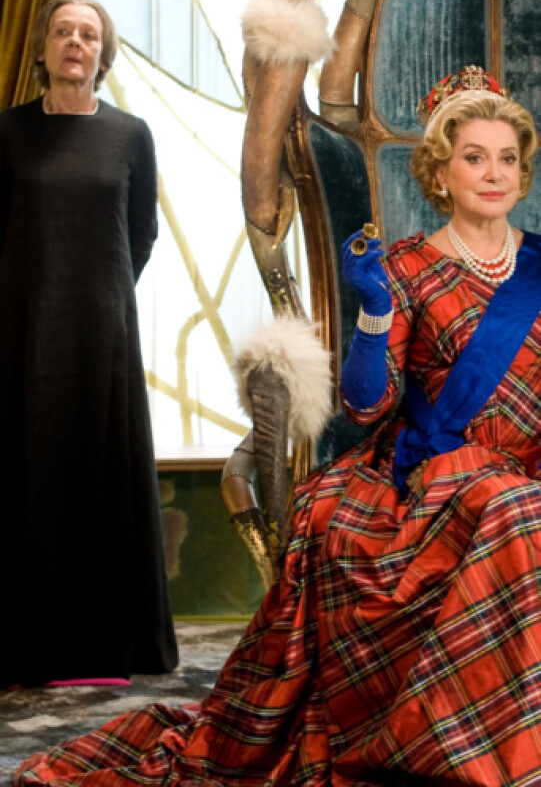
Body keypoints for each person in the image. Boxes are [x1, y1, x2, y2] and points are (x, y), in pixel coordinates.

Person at [14, 65, 541, 785]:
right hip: (437, 475)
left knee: (520, 501)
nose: (494, 173)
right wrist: (374, 311)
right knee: (517, 513)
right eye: (474, 157)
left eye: (507, 158)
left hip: (526, 464)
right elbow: (366, 406)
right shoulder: (406, 267)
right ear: (440, 173)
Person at [0, 0, 178, 688]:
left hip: (103, 330)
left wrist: (100, 293)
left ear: (103, 54)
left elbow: (142, 234)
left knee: (102, 471)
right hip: (21, 330)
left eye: (88, 34)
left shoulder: (131, 134)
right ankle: (25, 647)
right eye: (63, 31)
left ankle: (107, 648)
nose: (75, 42)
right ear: (43, 49)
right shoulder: (8, 131)